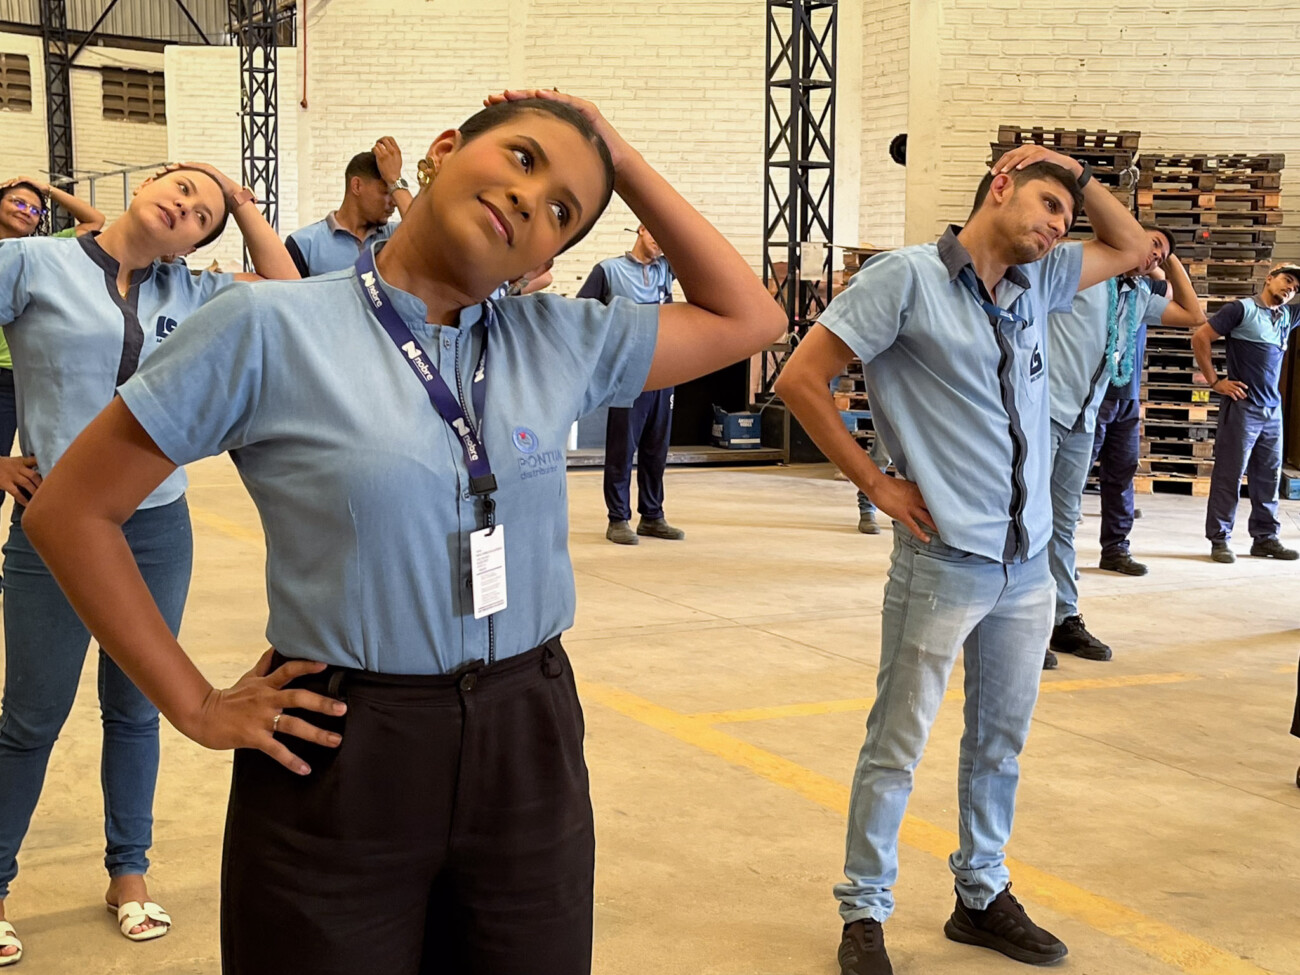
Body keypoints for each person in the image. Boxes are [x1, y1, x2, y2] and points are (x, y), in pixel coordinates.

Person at [23, 90, 785, 975]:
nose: (530, 199)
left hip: (528, 737)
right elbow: (71, 511)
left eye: (562, 211)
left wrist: (617, 153)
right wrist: (195, 705)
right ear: (445, 150)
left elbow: (751, 320)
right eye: (524, 159)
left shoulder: (560, 339)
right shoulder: (269, 326)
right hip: (343, 750)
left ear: (549, 255)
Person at [774, 143, 1148, 975]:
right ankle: (864, 908)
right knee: (897, 743)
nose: (1058, 227)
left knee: (999, 742)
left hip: (1026, 566)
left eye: (1067, 218)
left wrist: (1077, 174)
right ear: (1000, 187)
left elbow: (1131, 247)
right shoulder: (905, 279)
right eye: (1048, 205)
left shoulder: (1041, 282)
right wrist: (876, 482)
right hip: (945, 559)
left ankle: (981, 893)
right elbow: (801, 378)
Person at [0, 161, 297, 967]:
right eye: (181, 186)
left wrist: (242, 204)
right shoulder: (32, 263)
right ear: (144, 186)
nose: (186, 204)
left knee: (136, 708)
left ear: (195, 242)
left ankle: (128, 875)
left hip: (158, 524)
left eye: (203, 213)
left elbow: (292, 296)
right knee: (31, 716)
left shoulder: (193, 294)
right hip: (54, 528)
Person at [1043, 226, 1204, 668]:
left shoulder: (1138, 298)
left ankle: (1062, 618)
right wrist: (1126, 247)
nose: (1154, 255)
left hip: (1082, 421)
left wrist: (1169, 258)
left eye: (1160, 254)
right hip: (1042, 413)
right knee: (1025, 516)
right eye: (1151, 243)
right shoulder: (1082, 275)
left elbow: (1193, 315)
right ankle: (1015, 622)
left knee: (1062, 522)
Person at [577, 224, 683, 544]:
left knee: (656, 448)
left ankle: (652, 515)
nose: (659, 242)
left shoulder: (667, 269)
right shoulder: (609, 271)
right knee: (622, 448)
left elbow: (694, 258)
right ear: (640, 229)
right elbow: (581, 313)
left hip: (664, 369)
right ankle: (618, 518)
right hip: (628, 372)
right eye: (654, 233)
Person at [0, 177, 106, 482]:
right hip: (2, 379)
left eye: (36, 210)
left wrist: (48, 190)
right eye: (18, 202)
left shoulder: (45, 250)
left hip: (34, 376)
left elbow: (94, 221)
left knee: (43, 468)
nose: (26, 211)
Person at [1193, 263, 1300, 563]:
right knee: (1229, 475)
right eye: (1286, 280)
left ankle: (1265, 539)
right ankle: (1219, 539)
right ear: (1269, 278)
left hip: (1272, 411)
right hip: (1243, 408)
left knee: (1268, 476)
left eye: (1295, 288)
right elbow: (1200, 338)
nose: (1290, 289)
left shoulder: (1287, 316)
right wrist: (1215, 382)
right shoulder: (1241, 310)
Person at [285, 137, 413, 276]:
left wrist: (395, 180)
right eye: (386, 191)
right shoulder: (303, 244)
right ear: (357, 186)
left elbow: (425, 237)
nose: (394, 202)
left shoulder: (395, 237)